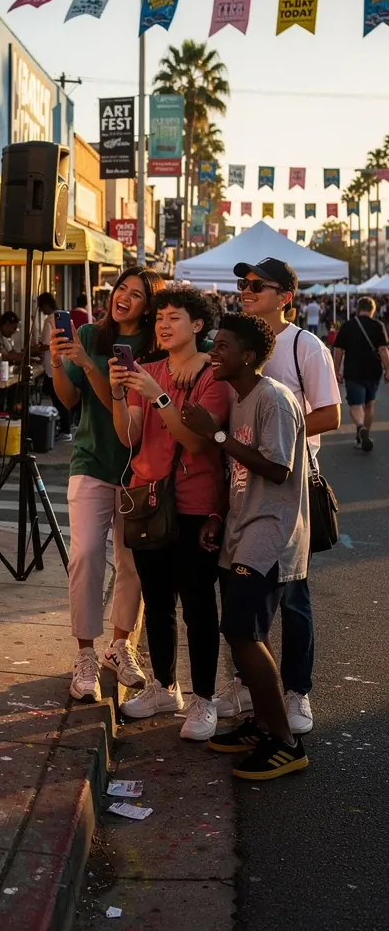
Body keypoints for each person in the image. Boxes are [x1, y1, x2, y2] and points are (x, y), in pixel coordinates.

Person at [213, 258, 339, 736]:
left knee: (293, 594)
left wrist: (278, 428)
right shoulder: (235, 344)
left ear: (285, 296)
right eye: (241, 283)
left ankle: (295, 692)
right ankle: (250, 686)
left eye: (256, 285)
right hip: (242, 480)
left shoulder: (306, 346)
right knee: (248, 601)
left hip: (290, 483)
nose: (245, 290)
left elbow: (330, 415)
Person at [184, 313, 310, 780]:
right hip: (240, 531)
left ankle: (285, 741)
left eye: (222, 347)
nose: (213, 353)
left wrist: (213, 433)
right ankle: (262, 725)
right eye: (213, 345)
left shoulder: (273, 400)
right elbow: (236, 470)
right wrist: (218, 515)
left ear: (250, 356)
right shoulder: (240, 400)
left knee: (242, 632)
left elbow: (277, 469)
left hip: (269, 535)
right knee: (240, 632)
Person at [110, 288, 231, 742]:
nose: (162, 325)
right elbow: (130, 436)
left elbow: (198, 441)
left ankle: (203, 699)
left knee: (198, 605)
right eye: (159, 318)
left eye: (173, 318)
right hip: (148, 500)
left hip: (197, 503)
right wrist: (121, 394)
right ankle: (165, 686)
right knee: (157, 601)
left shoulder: (213, 376)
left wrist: (160, 396)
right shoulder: (149, 370)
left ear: (197, 325)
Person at [50, 267, 163, 703]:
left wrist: (89, 367)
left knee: (130, 561)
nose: (125, 298)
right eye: (122, 290)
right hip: (91, 461)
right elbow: (67, 398)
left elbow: (114, 399)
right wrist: (60, 359)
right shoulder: (92, 336)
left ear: (149, 306)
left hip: (139, 467)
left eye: (136, 295)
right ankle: (84, 654)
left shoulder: (154, 348)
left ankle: (121, 646)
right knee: (85, 555)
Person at [333, 297, 389, 452]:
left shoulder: (348, 326)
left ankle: (360, 426)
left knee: (356, 404)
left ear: (357, 309)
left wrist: (336, 369)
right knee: (370, 403)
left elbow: (338, 350)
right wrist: (388, 370)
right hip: (373, 370)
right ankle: (365, 434)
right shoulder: (378, 326)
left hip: (353, 370)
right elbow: (383, 351)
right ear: (373, 310)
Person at [33, 292, 72, 441]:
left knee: (58, 398)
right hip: (64, 362)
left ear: (46, 305)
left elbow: (45, 345)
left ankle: (65, 429)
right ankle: (65, 427)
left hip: (52, 366)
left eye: (41, 307)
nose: (41, 310)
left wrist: (34, 348)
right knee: (62, 397)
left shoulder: (50, 320)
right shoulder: (63, 317)